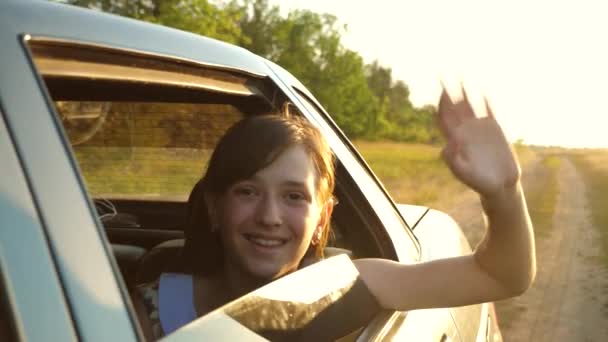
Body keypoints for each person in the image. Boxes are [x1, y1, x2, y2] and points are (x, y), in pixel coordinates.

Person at [133, 88, 536, 340]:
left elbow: (503, 275)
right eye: (248, 191)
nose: (270, 215)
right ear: (214, 207)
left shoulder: (346, 288)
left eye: (294, 196)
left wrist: (503, 194)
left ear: (323, 218)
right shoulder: (147, 311)